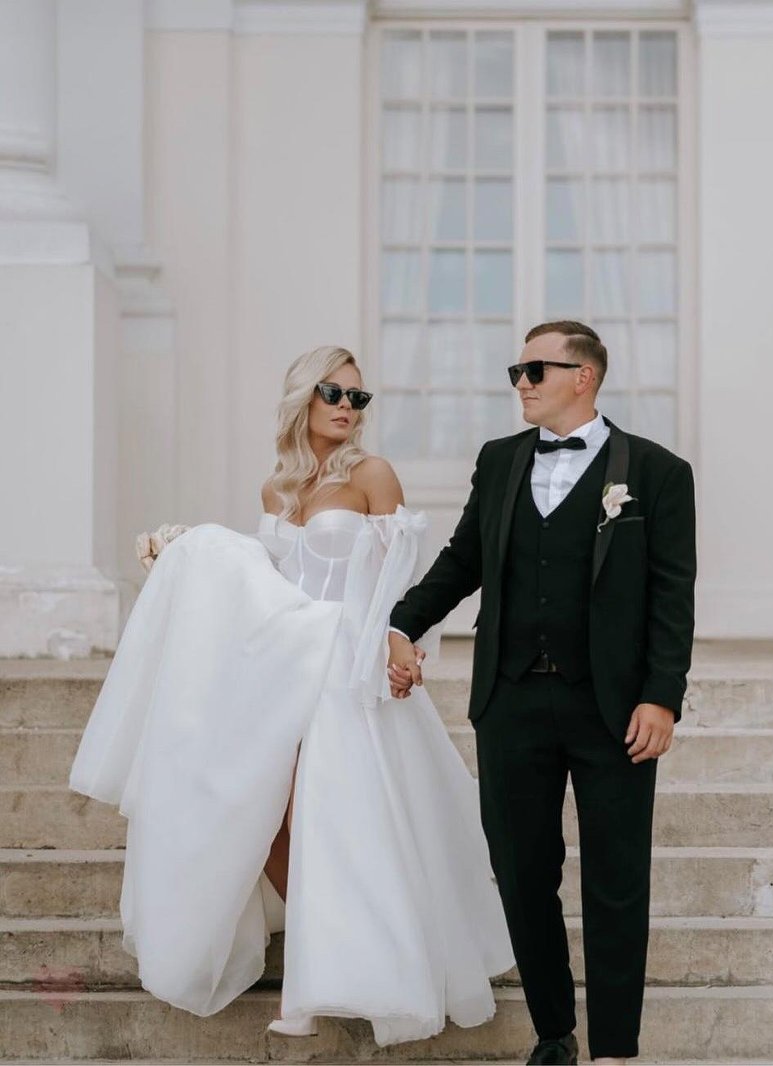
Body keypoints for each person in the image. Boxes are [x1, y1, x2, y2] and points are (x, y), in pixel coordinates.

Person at [69, 345, 514, 1047]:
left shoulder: (372, 475)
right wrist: (187, 564)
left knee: (331, 811)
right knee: (269, 812)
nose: (346, 408)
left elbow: (397, 580)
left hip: (346, 662)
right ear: (303, 398)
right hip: (282, 664)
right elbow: (267, 586)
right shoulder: (275, 490)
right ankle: (324, 949)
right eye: (333, 393)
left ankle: (333, 976)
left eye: (357, 398)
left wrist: (397, 645)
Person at [387, 321, 697, 1065]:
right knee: (522, 873)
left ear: (583, 377)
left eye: (534, 371)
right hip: (512, 700)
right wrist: (400, 623)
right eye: (516, 372)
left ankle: (614, 1049)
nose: (520, 384)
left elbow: (671, 593)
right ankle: (555, 1034)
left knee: (617, 880)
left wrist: (662, 695)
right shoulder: (498, 461)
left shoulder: (658, 471)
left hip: (614, 708)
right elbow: (463, 559)